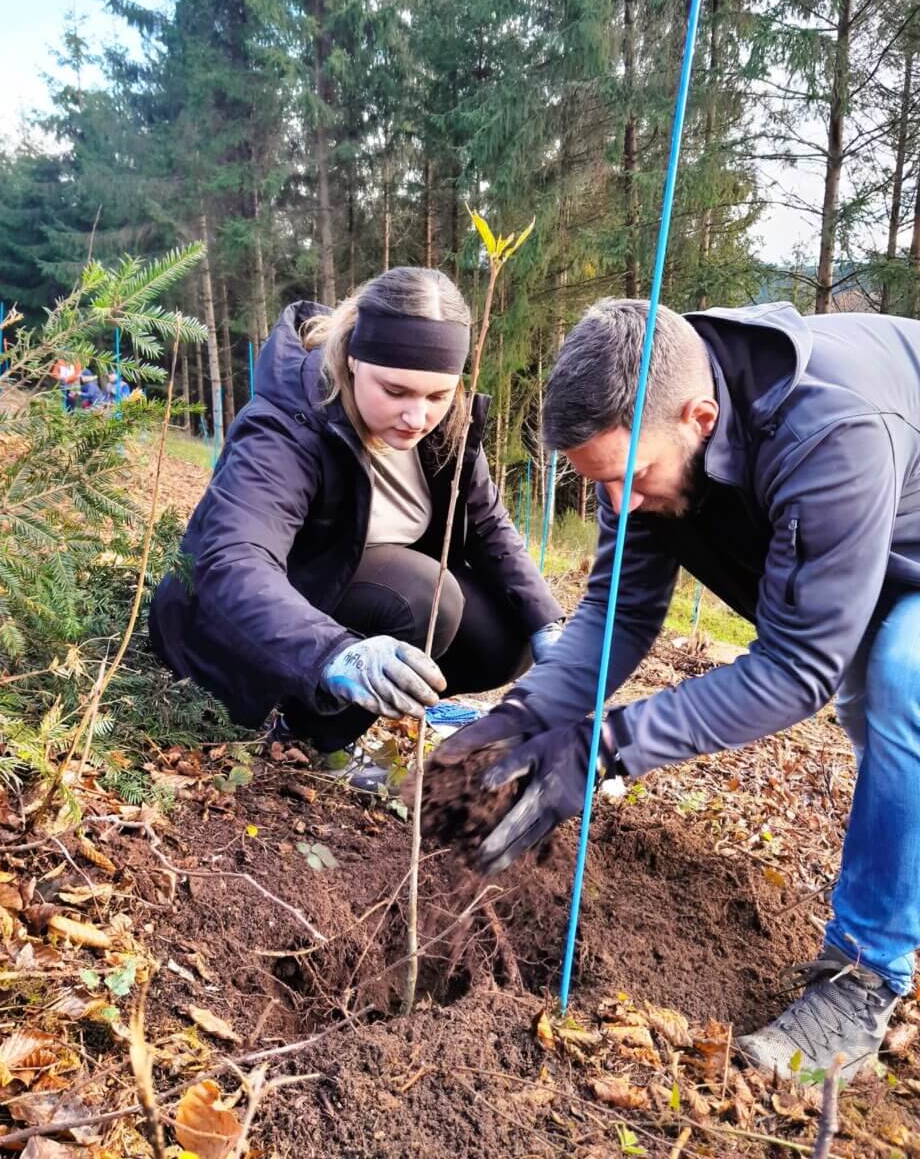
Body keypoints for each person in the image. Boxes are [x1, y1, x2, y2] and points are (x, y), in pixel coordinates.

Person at [436, 298, 920, 1078]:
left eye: (631, 480)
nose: (620, 505)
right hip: (870, 539)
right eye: (601, 486)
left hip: (901, 529)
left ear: (700, 417)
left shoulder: (832, 432)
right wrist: (521, 716)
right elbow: (619, 615)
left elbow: (798, 669)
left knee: (905, 678)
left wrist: (603, 750)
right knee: (891, 715)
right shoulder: (649, 414)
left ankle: (863, 977)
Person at [149, 266, 564, 790]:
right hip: (236, 625)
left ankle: (346, 704)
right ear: (352, 362)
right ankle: (308, 736)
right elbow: (231, 560)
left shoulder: (443, 424)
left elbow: (487, 524)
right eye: (395, 390)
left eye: (438, 396)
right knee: (421, 594)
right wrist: (333, 653)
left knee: (509, 634)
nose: (418, 417)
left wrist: (548, 623)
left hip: (350, 599)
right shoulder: (288, 421)